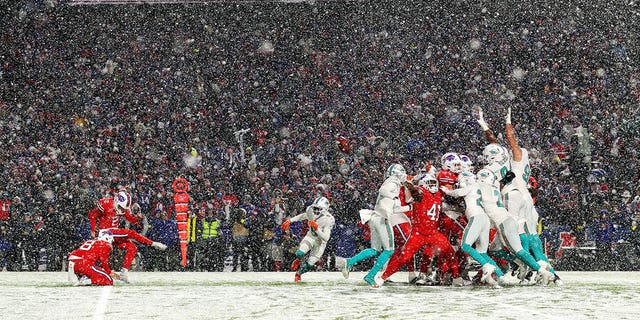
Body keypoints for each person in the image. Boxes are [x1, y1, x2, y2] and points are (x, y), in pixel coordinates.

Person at [380, 173, 467, 286]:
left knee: (449, 252)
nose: (433, 185)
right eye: (430, 183)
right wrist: (409, 184)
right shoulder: (421, 192)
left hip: (433, 233)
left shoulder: (438, 193)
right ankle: (382, 277)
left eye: (433, 182)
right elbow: (415, 191)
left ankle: (456, 278)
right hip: (418, 234)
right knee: (404, 257)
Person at [476, 167, 554, 286]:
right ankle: (533, 268)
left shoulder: (509, 194)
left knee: (521, 252)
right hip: (520, 227)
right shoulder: (515, 193)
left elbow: (508, 214)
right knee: (501, 250)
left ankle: (541, 270)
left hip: (513, 227)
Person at [440, 155, 506, 288]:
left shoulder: (469, 186)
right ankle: (499, 275)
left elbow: (457, 193)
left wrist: (447, 191)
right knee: (482, 252)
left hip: (476, 217)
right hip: (485, 219)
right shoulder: (480, 186)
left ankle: (487, 266)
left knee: (465, 246)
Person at [341, 163, 406, 287]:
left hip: (375, 218)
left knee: (374, 249)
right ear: (397, 173)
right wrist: (394, 195)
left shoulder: (392, 184)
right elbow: (383, 190)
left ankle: (350, 262)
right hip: (382, 219)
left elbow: (395, 208)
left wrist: (410, 207)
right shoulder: (393, 183)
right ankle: (371, 275)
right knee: (389, 250)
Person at [88, 190, 167, 283]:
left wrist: (138, 218)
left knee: (132, 248)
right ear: (116, 201)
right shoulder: (106, 203)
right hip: (105, 233)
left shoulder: (123, 207)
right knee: (131, 233)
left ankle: (124, 273)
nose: (122, 210)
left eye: (124, 209)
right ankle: (153, 243)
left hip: (114, 235)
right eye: (121, 208)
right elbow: (92, 215)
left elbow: (131, 219)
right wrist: (93, 230)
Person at [281, 196, 335, 282]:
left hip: (320, 243)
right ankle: (298, 260)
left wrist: (317, 229)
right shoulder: (311, 211)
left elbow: (326, 238)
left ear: (325, 209)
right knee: (299, 253)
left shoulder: (328, 219)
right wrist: (290, 221)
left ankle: (298, 274)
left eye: (318, 209)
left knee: (310, 265)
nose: (315, 210)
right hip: (310, 236)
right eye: (315, 208)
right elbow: (303, 216)